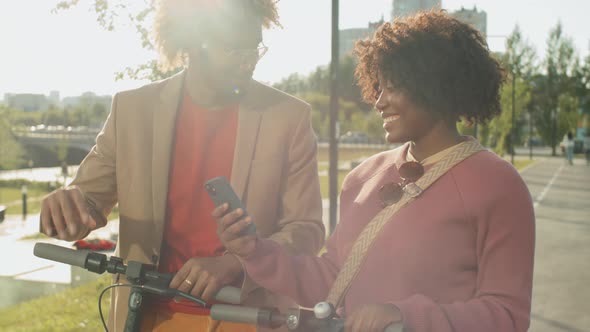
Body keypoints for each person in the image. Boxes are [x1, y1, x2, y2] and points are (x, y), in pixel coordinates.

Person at [216, 11, 535, 332]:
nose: (379, 101)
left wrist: (405, 316)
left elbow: (506, 314)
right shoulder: (362, 177)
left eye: (393, 87)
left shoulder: (498, 185)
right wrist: (257, 252)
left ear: (438, 84)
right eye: (378, 87)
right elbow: (333, 277)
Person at [39, 0, 325, 331]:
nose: (249, 60)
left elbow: (306, 230)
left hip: (248, 314)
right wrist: (65, 210)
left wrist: (235, 263)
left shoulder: (289, 118)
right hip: (144, 314)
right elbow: (87, 201)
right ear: (191, 44)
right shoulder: (132, 110)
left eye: (255, 47)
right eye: (233, 49)